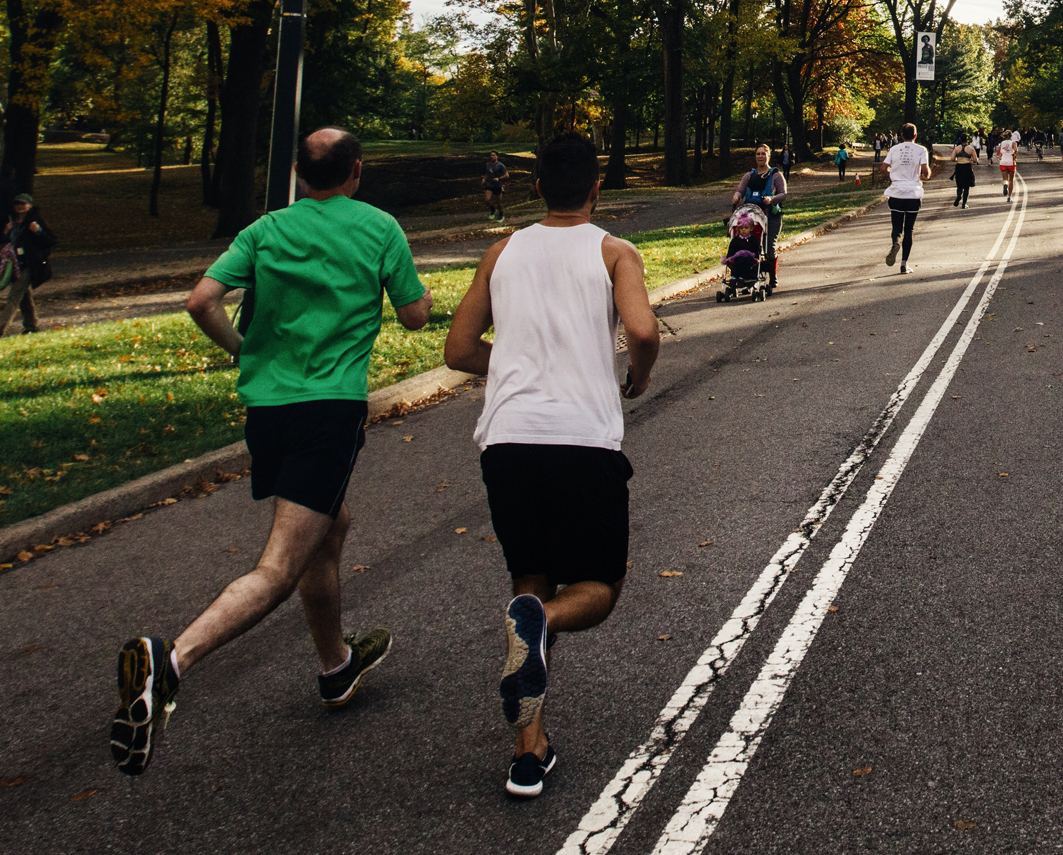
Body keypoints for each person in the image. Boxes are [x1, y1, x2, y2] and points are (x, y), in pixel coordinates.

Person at [109, 128, 434, 776]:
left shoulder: (265, 230)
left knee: (330, 528)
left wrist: (242, 350)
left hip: (269, 410)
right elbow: (416, 317)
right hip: (327, 412)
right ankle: (170, 665)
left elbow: (201, 300)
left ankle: (335, 668)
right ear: (357, 172)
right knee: (280, 565)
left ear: (298, 172)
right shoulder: (377, 227)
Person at [443, 133, 659, 799]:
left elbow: (457, 349)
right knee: (597, 586)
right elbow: (644, 331)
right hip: (582, 440)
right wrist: (637, 374)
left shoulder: (501, 250)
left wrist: (513, 368)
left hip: (508, 441)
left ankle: (528, 752)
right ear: (598, 188)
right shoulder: (613, 251)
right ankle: (547, 627)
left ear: (535, 187)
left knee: (528, 583)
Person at [733, 144, 788, 291]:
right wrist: (736, 197)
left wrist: (771, 199)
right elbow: (740, 191)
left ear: (768, 156)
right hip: (752, 218)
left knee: (769, 249)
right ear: (755, 156)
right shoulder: (749, 175)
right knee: (750, 246)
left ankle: (773, 276)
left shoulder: (776, 175)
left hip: (770, 216)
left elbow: (783, 195)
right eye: (758, 154)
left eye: (763, 154)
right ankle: (750, 278)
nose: (760, 156)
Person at [881, 122, 930, 274]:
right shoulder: (921, 150)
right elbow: (925, 172)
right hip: (913, 193)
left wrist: (893, 176)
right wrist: (924, 175)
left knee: (896, 227)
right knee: (909, 229)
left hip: (896, 192)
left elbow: (883, 168)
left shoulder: (894, 149)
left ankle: (896, 242)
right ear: (915, 135)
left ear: (901, 135)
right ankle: (904, 264)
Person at [1, 194, 54, 336]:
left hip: (30, 264)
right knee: (23, 296)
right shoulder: (14, 221)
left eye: (23, 203)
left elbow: (50, 240)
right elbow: (9, 242)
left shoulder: (35, 220)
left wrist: (38, 231)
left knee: (13, 296)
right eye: (17, 203)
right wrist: (6, 232)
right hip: (16, 264)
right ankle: (31, 326)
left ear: (30, 205)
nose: (20, 206)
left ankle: (1, 326)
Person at [950, 134, 977, 208]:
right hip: (967, 167)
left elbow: (952, 158)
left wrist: (957, 159)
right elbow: (975, 160)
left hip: (959, 167)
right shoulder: (971, 149)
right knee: (966, 186)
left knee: (959, 185)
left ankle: (959, 196)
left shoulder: (957, 148)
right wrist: (971, 160)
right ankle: (964, 203)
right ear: (967, 139)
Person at [483, 151, 510, 222]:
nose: (492, 157)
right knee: (487, 199)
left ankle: (501, 214)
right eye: (491, 155)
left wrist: (499, 178)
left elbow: (507, 175)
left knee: (498, 202)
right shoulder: (487, 164)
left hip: (497, 185)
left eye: (494, 155)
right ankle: (492, 209)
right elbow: (486, 173)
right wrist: (484, 179)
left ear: (497, 156)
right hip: (489, 185)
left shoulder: (500, 165)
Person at [997, 131, 1018, 202]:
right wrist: (1014, 154)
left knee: (1005, 179)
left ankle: (1005, 185)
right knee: (1011, 180)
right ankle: (1009, 196)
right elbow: (1015, 150)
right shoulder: (1013, 143)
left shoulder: (1001, 143)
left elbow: (998, 153)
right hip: (1011, 162)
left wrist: (1002, 155)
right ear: (1011, 136)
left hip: (1003, 162)